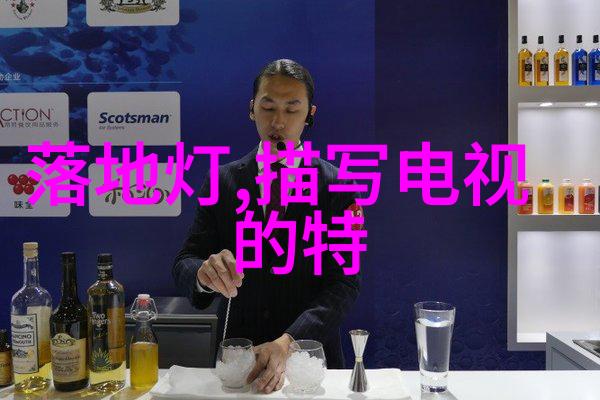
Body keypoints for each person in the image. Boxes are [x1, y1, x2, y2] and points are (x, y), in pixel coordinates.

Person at [172, 59, 362, 394]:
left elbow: (345, 282)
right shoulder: (222, 180)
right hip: (240, 361)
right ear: (251, 109)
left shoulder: (340, 186)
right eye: (268, 107)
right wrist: (203, 274)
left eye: (292, 109)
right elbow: (185, 261)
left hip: (308, 362)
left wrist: (287, 342)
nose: (278, 122)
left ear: (310, 115)